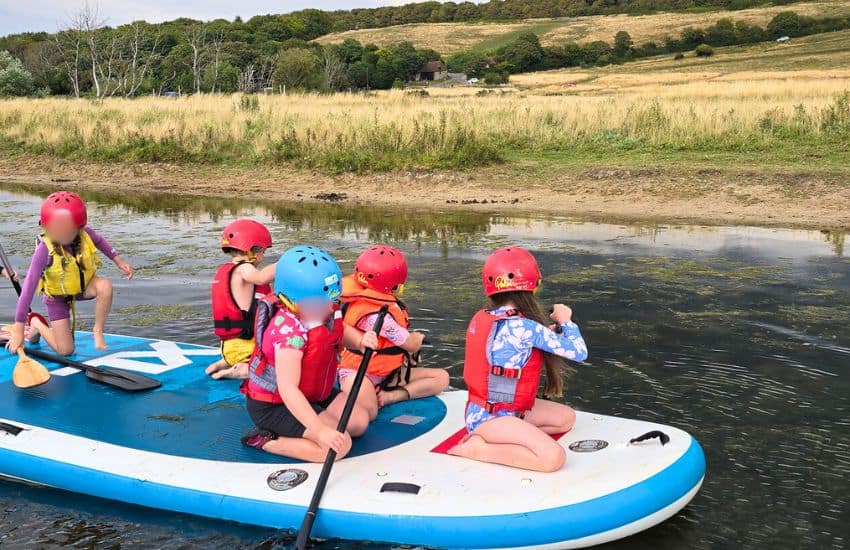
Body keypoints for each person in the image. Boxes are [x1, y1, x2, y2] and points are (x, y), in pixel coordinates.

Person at [449, 246, 588, 472]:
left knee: (566, 418)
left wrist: (549, 331)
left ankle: (510, 434)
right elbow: (579, 352)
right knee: (553, 458)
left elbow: (514, 343)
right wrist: (566, 320)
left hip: (495, 410)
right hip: (491, 419)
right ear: (532, 286)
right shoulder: (526, 327)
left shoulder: (484, 317)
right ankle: (477, 449)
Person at [240, 245, 378, 462]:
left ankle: (317, 423)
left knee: (359, 422)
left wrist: (361, 340)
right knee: (339, 447)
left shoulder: (317, 307)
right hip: (276, 406)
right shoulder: (288, 334)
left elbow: (335, 329)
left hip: (313, 393)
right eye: (322, 302)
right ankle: (268, 441)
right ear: (291, 299)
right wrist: (321, 430)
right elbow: (288, 390)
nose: (329, 307)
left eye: (331, 300)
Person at [5, 191, 133, 355]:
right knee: (66, 350)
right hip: (57, 298)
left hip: (82, 287)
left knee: (105, 286)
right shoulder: (44, 250)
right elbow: (28, 289)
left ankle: (98, 330)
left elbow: (101, 242)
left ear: (79, 226)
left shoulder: (86, 234)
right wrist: (18, 328)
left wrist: (119, 261)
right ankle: (37, 323)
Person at [338, 245, 449, 420]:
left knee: (442, 378)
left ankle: (393, 396)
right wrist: (418, 339)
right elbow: (410, 343)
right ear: (396, 285)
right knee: (370, 413)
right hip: (356, 374)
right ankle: (376, 397)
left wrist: (406, 355)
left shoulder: (366, 302)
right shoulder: (377, 317)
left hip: (388, 374)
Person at [206, 219, 275, 380]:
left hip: (230, 345)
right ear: (253, 250)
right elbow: (261, 278)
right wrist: (286, 263)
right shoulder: (244, 268)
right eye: (263, 251)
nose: (262, 256)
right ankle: (240, 369)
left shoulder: (227, 270)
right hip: (244, 345)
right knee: (272, 368)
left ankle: (225, 362)